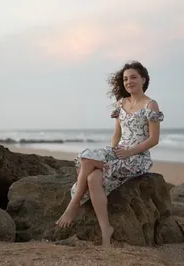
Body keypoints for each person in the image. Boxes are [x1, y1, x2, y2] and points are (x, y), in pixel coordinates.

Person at [56, 61, 164, 247]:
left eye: (133, 77)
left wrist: (129, 152)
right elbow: (117, 135)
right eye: (125, 79)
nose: (129, 81)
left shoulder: (150, 105)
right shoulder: (121, 103)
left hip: (138, 157)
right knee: (89, 166)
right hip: (119, 151)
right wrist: (110, 154)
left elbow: (153, 139)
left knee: (92, 168)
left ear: (143, 79)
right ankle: (106, 229)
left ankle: (73, 205)